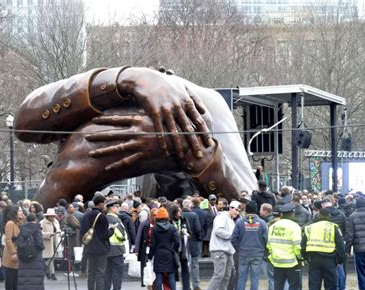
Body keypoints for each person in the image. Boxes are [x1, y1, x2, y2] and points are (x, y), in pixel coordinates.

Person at [14, 67, 257, 208]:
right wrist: (125, 79)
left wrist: (194, 150)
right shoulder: (106, 97)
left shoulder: (205, 104)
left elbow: (249, 202)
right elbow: (23, 123)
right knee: (79, 154)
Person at [301, 206, 345, 290]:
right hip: (330, 260)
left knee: (314, 288)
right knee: (331, 287)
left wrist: (306, 258)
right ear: (329, 216)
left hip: (314, 260)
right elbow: (340, 246)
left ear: (318, 215)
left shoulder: (309, 227)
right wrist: (339, 260)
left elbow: (302, 246)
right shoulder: (333, 227)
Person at [267, 204, 304, 290]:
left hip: (277, 261)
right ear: (292, 213)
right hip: (292, 262)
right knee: (294, 287)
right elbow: (297, 245)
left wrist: (273, 256)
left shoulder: (273, 226)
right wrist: (300, 258)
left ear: (282, 214)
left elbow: (269, 244)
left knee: (278, 287)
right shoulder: (294, 226)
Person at [201, 200, 239, 290]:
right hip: (219, 250)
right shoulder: (222, 217)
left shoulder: (230, 219)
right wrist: (232, 236)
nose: (237, 212)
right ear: (230, 208)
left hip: (227, 250)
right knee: (219, 275)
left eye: (238, 210)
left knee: (225, 276)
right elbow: (218, 231)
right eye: (236, 209)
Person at [231, 200, 267, 290]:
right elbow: (266, 239)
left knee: (241, 280)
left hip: (243, 254)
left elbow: (233, 239)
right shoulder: (262, 223)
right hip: (257, 254)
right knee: (254, 280)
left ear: (246, 210)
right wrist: (263, 251)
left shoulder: (240, 222)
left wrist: (239, 249)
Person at [80, 194, 114, 290]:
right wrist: (112, 230)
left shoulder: (85, 216)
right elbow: (104, 235)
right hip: (100, 249)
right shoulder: (102, 217)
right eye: (104, 203)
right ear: (100, 204)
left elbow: (82, 234)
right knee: (100, 274)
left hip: (89, 248)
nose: (105, 206)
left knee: (91, 274)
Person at [148, 207, 181, 290]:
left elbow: (152, 244)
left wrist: (150, 255)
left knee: (159, 275)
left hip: (158, 253)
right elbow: (177, 242)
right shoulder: (172, 228)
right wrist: (174, 250)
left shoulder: (154, 229)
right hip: (169, 253)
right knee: (171, 274)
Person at [345, 197, 365, 290]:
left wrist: (347, 250)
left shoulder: (352, 217)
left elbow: (350, 236)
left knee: (361, 275)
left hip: (359, 249)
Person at [17, 213, 45, 290]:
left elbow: (18, 242)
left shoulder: (21, 228)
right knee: (35, 277)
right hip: (35, 256)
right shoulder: (37, 229)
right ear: (35, 220)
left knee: (25, 277)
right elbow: (40, 244)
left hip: (23, 256)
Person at [104, 198, 129, 290]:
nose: (118, 209)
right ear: (112, 208)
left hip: (106, 249)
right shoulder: (116, 220)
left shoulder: (104, 218)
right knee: (117, 272)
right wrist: (124, 238)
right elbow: (121, 235)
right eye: (117, 207)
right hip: (117, 249)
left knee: (107, 272)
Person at [2, 205, 24, 290]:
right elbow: (8, 240)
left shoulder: (18, 223)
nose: (21, 212)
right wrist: (13, 253)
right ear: (14, 212)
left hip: (17, 251)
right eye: (19, 211)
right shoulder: (10, 223)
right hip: (11, 252)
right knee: (10, 275)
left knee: (16, 274)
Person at [181, 199, 202, 290]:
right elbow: (198, 229)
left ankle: (185, 285)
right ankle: (196, 285)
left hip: (183, 242)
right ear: (190, 206)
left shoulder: (180, 215)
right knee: (194, 264)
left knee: (184, 264)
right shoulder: (194, 215)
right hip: (193, 241)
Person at [40, 208, 61, 280]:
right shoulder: (42, 222)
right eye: (51, 216)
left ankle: (48, 272)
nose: (52, 217)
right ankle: (53, 273)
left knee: (52, 258)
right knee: (50, 258)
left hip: (55, 242)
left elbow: (58, 230)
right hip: (47, 242)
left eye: (53, 216)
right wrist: (49, 234)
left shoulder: (56, 222)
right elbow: (40, 233)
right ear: (48, 216)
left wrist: (59, 233)